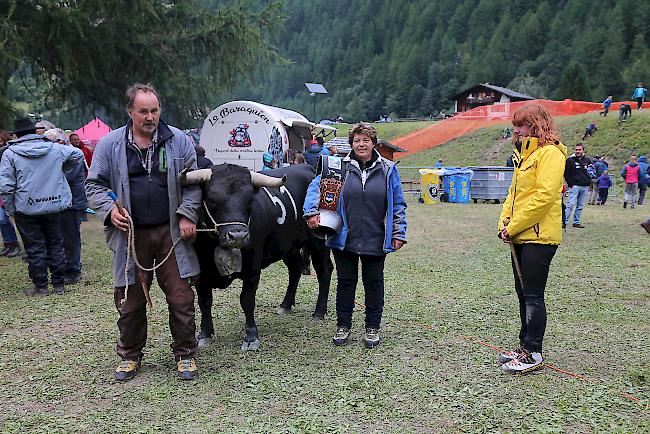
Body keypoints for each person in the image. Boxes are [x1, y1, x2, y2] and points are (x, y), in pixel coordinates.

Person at [86, 83, 201, 381]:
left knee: (180, 296)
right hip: (130, 235)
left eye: (155, 110)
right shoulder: (110, 144)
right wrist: (110, 211)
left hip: (171, 233)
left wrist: (188, 214)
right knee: (130, 299)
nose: (150, 117)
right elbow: (94, 185)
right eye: (143, 111)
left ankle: (186, 353)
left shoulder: (180, 141)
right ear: (129, 112)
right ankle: (130, 354)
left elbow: (193, 183)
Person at [304, 123, 407, 349]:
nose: (361, 144)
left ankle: (372, 328)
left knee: (374, 283)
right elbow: (315, 186)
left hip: (376, 237)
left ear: (373, 143)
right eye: (356, 140)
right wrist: (311, 211)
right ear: (351, 144)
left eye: (366, 140)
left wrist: (398, 231)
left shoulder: (388, 169)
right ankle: (343, 325)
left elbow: (398, 204)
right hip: (344, 237)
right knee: (345, 282)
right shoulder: (337, 166)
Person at [497, 104, 566, 374]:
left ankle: (534, 351)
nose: (517, 129)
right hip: (519, 234)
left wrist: (513, 226)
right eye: (516, 125)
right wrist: (504, 222)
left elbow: (544, 197)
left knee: (534, 294)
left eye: (522, 124)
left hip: (540, 236)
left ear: (537, 125)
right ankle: (524, 346)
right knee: (522, 292)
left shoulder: (550, 154)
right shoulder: (524, 156)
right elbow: (513, 195)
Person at [0, 118, 84, 296]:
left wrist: (10, 209)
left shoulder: (10, 153)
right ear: (34, 132)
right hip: (54, 205)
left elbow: (6, 187)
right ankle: (59, 284)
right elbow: (77, 155)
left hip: (26, 207)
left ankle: (41, 286)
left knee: (34, 247)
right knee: (56, 243)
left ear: (16, 135)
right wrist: (61, 172)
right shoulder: (54, 149)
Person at [0, 130, 21, 258]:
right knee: (0, 220)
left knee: (2, 219)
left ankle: (14, 244)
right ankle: (8, 243)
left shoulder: (8, 154)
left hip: (6, 191)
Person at [564, 143, 592, 228]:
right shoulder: (570, 160)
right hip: (575, 186)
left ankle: (576, 222)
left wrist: (589, 182)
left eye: (579, 150)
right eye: (576, 150)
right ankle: (564, 221)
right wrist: (571, 184)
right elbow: (566, 173)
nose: (578, 151)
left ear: (583, 150)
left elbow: (591, 172)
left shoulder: (587, 160)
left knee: (580, 206)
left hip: (585, 186)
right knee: (570, 204)